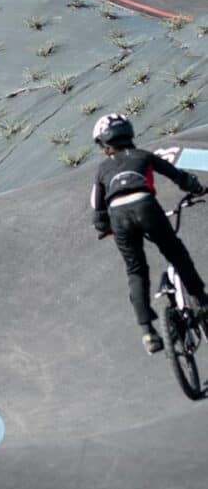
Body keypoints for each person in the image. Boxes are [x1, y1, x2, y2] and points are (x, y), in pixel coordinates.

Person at [91, 113, 208, 355]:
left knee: (136, 271)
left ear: (105, 146)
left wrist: (104, 228)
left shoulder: (103, 169)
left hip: (119, 217)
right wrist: (196, 189)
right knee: (175, 252)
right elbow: (179, 176)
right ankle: (202, 300)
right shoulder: (143, 156)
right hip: (146, 207)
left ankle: (148, 332)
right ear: (130, 134)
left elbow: (97, 207)